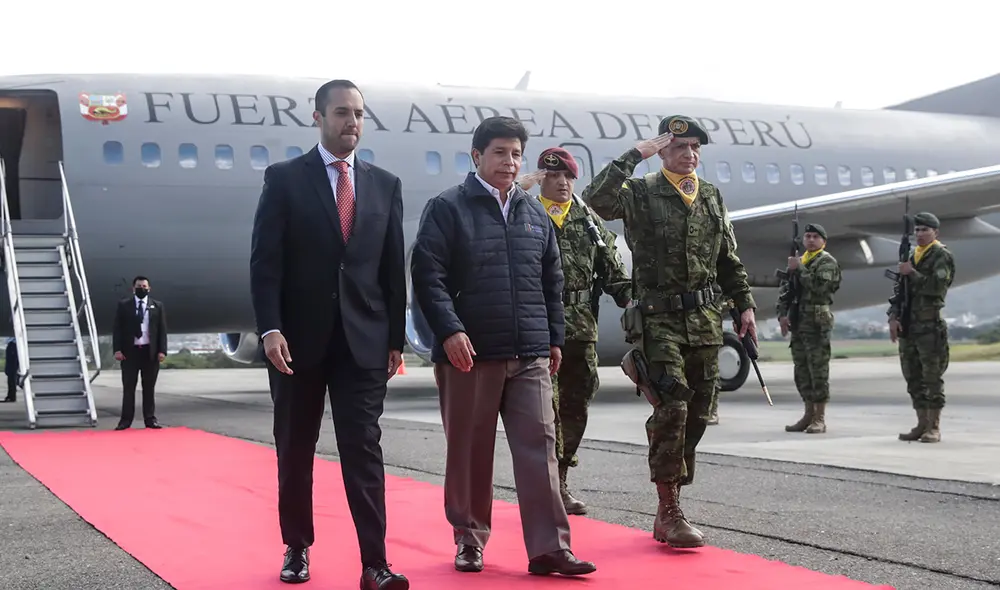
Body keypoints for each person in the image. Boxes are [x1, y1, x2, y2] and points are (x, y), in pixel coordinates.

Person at [410, 116, 596, 577]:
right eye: (499, 153)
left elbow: (552, 282)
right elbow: (427, 276)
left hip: (530, 353)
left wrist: (554, 338)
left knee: (541, 450)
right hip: (470, 354)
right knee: (470, 452)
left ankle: (550, 548)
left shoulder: (535, 214)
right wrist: (450, 331)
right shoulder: (448, 208)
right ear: (477, 157)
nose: (509, 162)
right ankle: (470, 540)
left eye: (516, 154)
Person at [249, 79, 409, 589]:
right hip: (297, 343)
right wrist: (270, 328)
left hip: (362, 343)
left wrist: (396, 340)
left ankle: (375, 564)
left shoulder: (385, 184)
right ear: (317, 117)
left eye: (359, 114)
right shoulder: (285, 180)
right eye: (342, 112)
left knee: (364, 450)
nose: (352, 122)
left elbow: (391, 271)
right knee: (295, 448)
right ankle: (296, 547)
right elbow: (265, 263)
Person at [581, 115, 757, 549]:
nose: (690, 155)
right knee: (672, 407)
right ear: (661, 151)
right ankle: (668, 508)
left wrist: (744, 304)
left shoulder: (712, 196)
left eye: (695, 147)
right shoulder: (640, 193)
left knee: (697, 415)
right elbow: (594, 200)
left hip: (704, 321)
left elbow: (727, 259)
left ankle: (675, 493)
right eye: (680, 147)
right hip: (657, 322)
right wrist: (630, 157)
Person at [517, 147, 631, 515]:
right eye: (553, 177)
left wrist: (638, 304)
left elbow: (615, 274)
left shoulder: (590, 222)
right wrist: (521, 188)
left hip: (580, 328)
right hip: (537, 325)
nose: (562, 183)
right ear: (541, 180)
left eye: (567, 177)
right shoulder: (524, 213)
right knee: (542, 411)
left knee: (575, 405)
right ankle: (545, 485)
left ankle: (561, 478)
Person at [887, 212, 954, 444]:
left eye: (925, 230)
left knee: (932, 377)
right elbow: (899, 292)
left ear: (936, 232)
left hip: (929, 326)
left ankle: (934, 426)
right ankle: (921, 423)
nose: (919, 234)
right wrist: (893, 317)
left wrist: (912, 273)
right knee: (913, 377)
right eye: (917, 230)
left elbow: (936, 288)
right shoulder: (910, 255)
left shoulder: (941, 256)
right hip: (908, 325)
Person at [776, 223, 842, 434]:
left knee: (818, 371)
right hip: (799, 321)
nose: (811, 240)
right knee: (802, 370)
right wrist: (782, 314)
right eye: (808, 236)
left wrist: (800, 269)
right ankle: (808, 414)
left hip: (816, 320)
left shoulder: (826, 262)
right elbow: (786, 291)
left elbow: (819, 289)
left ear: (823, 241)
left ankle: (819, 418)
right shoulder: (799, 262)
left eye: (815, 236)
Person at [112, 276, 167, 430]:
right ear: (133, 288)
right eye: (138, 286)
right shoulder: (124, 306)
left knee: (149, 387)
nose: (141, 288)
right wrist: (117, 349)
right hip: (130, 353)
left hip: (150, 353)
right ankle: (125, 421)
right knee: (129, 388)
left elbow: (162, 330)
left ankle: (150, 419)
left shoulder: (157, 306)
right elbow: (118, 329)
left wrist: (162, 350)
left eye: (144, 286)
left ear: (149, 288)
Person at [3, 338, 18, 402]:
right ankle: (11, 395)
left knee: (12, 374)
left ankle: (12, 395)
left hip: (13, 345)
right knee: (11, 373)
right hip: (12, 345)